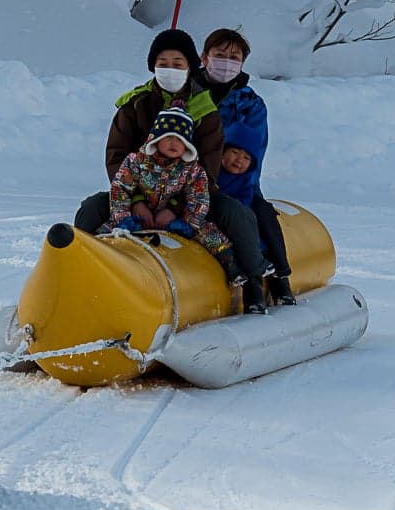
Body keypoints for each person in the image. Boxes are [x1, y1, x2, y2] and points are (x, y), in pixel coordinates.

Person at [74, 28, 271, 313]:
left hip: (191, 196)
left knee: (236, 214)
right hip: (136, 194)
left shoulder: (204, 109)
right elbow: (117, 156)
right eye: (162, 63)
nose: (169, 69)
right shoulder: (135, 104)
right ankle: (79, 272)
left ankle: (252, 280)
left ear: (190, 67)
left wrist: (178, 204)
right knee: (91, 209)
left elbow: (209, 165)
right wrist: (137, 200)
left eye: (177, 64)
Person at [106, 109, 250, 303]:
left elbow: (199, 199)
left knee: (210, 234)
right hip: (139, 218)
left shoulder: (193, 170)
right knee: (106, 230)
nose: (174, 143)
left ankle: (230, 265)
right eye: (169, 138)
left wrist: (187, 223)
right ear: (156, 139)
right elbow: (120, 189)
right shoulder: (135, 162)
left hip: (175, 219)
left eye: (181, 140)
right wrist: (124, 218)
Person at [200, 29, 295, 305]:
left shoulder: (250, 104)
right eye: (220, 55)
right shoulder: (187, 96)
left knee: (255, 214)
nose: (226, 62)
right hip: (191, 184)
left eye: (234, 57)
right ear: (204, 57)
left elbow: (246, 157)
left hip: (236, 186)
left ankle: (273, 276)